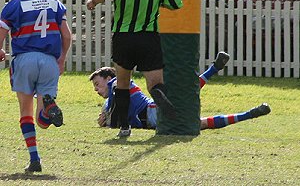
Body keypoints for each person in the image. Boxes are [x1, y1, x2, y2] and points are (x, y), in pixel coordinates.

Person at [86, 0, 183, 137]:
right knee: (156, 84)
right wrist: (158, 2)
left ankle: (124, 126)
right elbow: (176, 3)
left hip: (124, 38)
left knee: (123, 83)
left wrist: (92, 2)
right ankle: (162, 107)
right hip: (149, 38)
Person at [90, 52, 271, 131]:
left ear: (108, 78)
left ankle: (214, 69)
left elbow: (125, 110)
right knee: (201, 123)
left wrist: (109, 119)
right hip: (156, 122)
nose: (96, 90)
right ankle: (248, 115)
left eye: (97, 84)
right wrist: (104, 121)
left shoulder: (120, 84)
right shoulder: (110, 99)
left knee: (189, 98)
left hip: (153, 111)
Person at [0, 0, 72, 173]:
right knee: (42, 121)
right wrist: (62, 59)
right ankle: (48, 109)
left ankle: (34, 158)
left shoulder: (14, 5)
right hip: (49, 61)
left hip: (24, 60)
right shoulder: (54, 2)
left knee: (26, 112)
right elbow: (66, 35)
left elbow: (1, 35)